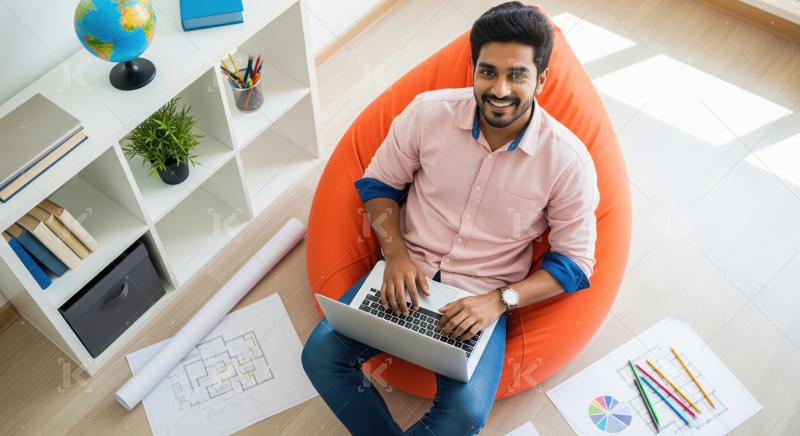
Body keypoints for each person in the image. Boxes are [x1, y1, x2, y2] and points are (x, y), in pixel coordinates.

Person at [301, 2, 600, 434]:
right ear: (473, 68)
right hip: (404, 273)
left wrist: (500, 301)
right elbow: (379, 184)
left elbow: (575, 264)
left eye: (517, 75)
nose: (499, 89)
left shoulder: (568, 161)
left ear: (542, 79)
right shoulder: (428, 113)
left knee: (465, 415)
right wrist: (396, 255)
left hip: (480, 298)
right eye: (488, 71)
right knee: (320, 356)